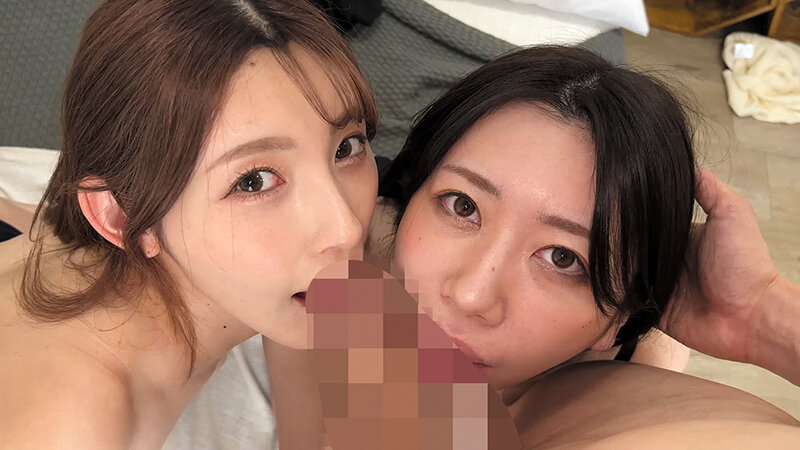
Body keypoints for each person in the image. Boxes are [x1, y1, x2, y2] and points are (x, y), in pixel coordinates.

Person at [0, 0, 378, 448]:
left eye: (347, 147)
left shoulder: (277, 285)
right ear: (120, 217)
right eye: (254, 181)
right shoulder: (71, 426)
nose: (347, 227)